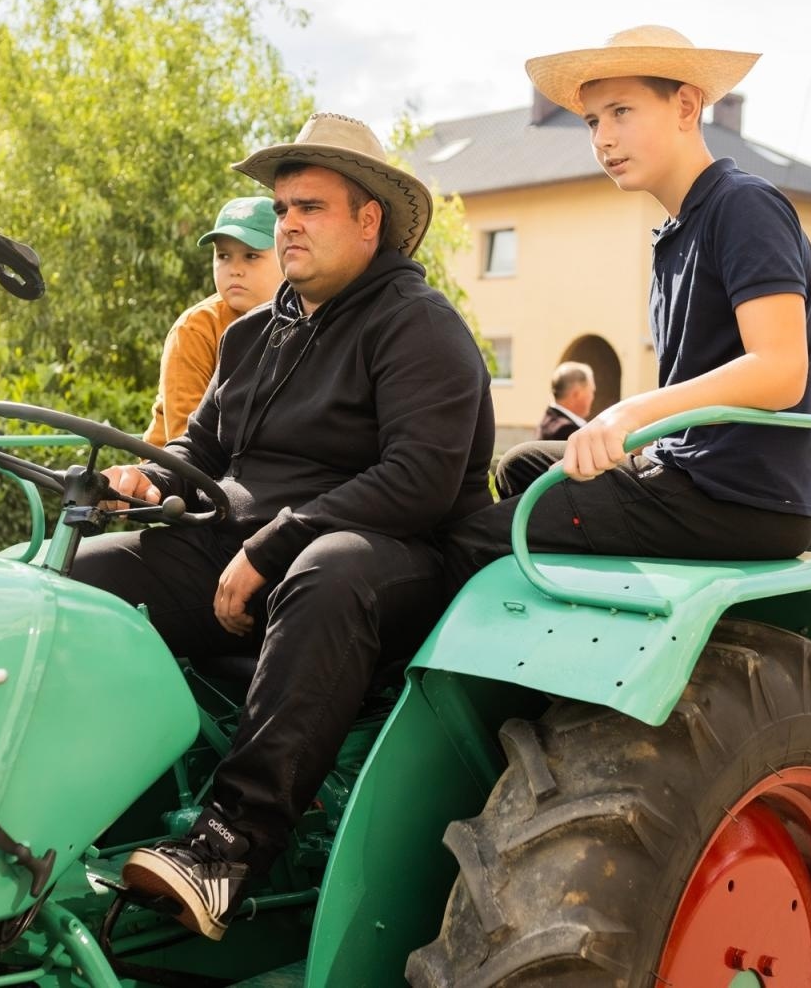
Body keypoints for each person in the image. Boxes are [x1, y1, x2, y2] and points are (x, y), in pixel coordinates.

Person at [74, 113, 495, 940]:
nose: (287, 223)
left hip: (394, 561)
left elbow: (419, 481)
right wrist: (140, 480)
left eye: (310, 206)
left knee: (328, 571)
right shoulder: (251, 338)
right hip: (246, 555)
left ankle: (228, 848)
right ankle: (68, 814)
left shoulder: (418, 326)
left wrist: (273, 545)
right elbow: (197, 449)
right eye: (281, 208)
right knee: (84, 572)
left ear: (369, 220)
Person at [445, 25, 811, 583]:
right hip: (687, 473)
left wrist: (629, 412)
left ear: (686, 105)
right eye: (593, 120)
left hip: (739, 499)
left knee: (468, 541)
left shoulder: (743, 206)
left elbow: (782, 370)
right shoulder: (674, 235)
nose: (602, 138)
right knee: (523, 463)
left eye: (621, 111)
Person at [144, 197, 283, 446]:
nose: (235, 269)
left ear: (286, 254)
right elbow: (184, 438)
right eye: (223, 256)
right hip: (181, 475)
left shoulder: (302, 317)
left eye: (251, 256)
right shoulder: (195, 329)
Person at [537, 361, 596, 440]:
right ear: (577, 394)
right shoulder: (566, 431)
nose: (592, 397)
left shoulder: (548, 422)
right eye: (591, 392)